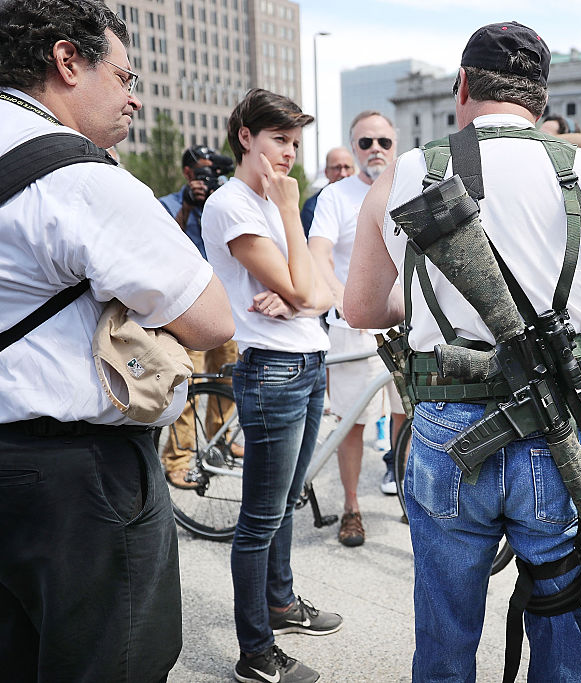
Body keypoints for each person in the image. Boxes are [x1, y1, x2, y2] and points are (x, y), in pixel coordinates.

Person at [344, 21, 581, 680]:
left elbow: (361, 309)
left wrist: (441, 302)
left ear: (462, 85)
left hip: (444, 428)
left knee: (444, 627)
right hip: (552, 432)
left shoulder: (405, 172)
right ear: (541, 96)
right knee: (559, 612)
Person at [0, 1, 234, 680]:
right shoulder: (77, 176)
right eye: (126, 76)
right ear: (67, 60)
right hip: (78, 483)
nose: (134, 98)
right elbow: (211, 318)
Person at [202, 88, 340, 683]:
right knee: (259, 517)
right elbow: (310, 290)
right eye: (278, 140)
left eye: (294, 143)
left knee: (288, 502)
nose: (289, 154)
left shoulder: (273, 199)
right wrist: (289, 215)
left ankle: (280, 603)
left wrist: (300, 299)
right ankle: (254, 652)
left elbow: (324, 291)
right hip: (272, 370)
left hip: (308, 363)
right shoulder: (234, 205)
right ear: (246, 138)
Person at [308, 111, 405, 547]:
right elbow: (319, 253)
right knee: (352, 424)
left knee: (412, 416)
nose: (375, 150)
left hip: (408, 328)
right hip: (353, 329)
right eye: (365, 143)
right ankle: (351, 507)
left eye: (383, 141)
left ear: (395, 143)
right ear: (354, 147)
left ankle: (409, 499)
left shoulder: (411, 186)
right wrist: (344, 301)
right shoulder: (336, 196)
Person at [159, 144, 241, 488]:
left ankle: (220, 440)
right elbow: (162, 246)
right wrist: (189, 208)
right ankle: (177, 458)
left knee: (226, 378)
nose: (207, 178)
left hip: (224, 303)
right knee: (187, 385)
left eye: (213, 171)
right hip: (186, 308)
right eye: (201, 172)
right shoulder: (168, 205)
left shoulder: (223, 201)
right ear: (187, 173)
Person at [300, 146, 355, 235]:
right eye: (337, 167)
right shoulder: (312, 206)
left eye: (347, 167)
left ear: (354, 170)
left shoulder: (365, 200)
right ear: (326, 172)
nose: (343, 173)